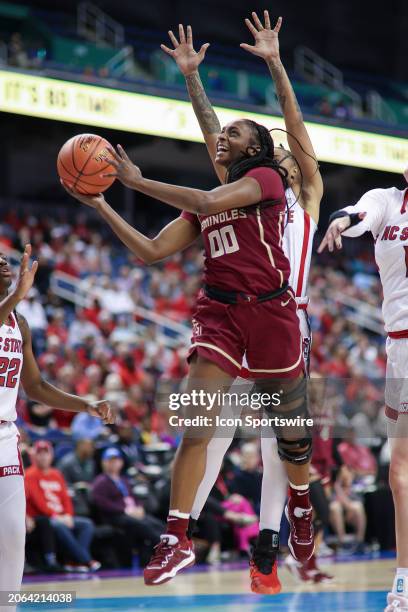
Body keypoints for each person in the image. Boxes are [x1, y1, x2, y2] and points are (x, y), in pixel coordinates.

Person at [62, 23, 316, 586]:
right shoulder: (210, 202)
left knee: (293, 439)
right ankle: (175, 538)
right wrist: (103, 202)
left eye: (235, 134)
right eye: (221, 136)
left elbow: (205, 190)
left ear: (257, 148)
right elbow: (151, 251)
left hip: (274, 315)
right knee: (196, 425)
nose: (222, 138)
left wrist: (137, 178)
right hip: (221, 315)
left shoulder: (270, 182)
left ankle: (299, 503)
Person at [160, 12, 324, 593]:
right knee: (212, 427)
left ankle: (274, 540)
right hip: (237, 314)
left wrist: (277, 63)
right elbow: (213, 136)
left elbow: (294, 124)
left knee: (280, 440)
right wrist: (191, 79)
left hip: (287, 316)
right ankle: (183, 533)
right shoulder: (242, 191)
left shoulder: (302, 190)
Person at [0, 245, 113, 611]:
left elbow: (36, 388)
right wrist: (18, 293)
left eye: (3, 259)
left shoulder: (21, 323)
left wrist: (87, 404)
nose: (3, 262)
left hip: (5, 436)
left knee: (14, 535)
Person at [318, 170, 408, 611]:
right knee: (399, 472)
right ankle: (404, 587)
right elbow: (357, 212)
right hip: (401, 348)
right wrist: (339, 220)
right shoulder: (386, 200)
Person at [25, 440, 99, 571]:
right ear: (34, 456)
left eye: (46, 453)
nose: (43, 456)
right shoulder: (30, 475)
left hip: (61, 516)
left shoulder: (57, 474)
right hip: (43, 518)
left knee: (87, 524)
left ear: (51, 456)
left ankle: (73, 561)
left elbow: (66, 498)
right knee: (58, 526)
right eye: (39, 453)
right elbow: (38, 501)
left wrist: (69, 515)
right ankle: (85, 559)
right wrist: (56, 516)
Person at [91, 448, 164, 567]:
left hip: (131, 513)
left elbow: (133, 497)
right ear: (103, 462)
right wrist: (124, 510)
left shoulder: (124, 480)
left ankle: (162, 551)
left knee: (156, 524)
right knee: (143, 526)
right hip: (115, 516)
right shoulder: (101, 482)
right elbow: (102, 503)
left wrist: (139, 507)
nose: (114, 463)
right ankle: (164, 549)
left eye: (116, 460)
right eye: (110, 461)